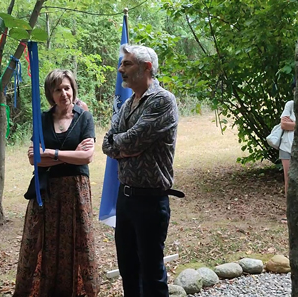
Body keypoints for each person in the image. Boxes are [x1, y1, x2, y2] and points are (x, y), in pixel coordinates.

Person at [102, 45, 180, 297]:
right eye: (121, 64)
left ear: (147, 67)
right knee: (128, 269)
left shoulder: (162, 100)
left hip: (150, 200)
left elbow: (131, 140)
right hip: (124, 199)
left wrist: (123, 145)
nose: (120, 69)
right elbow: (107, 143)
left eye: (127, 64)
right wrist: (124, 147)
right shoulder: (128, 104)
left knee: (151, 274)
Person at [13, 69, 99, 297]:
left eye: (67, 88)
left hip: (75, 190)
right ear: (50, 93)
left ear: (73, 89)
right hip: (47, 189)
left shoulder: (84, 118)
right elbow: (34, 159)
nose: (64, 93)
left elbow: (87, 157)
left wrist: (51, 153)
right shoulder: (41, 120)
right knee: (42, 241)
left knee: (76, 240)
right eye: (58, 89)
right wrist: (69, 154)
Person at [279, 82, 296, 199]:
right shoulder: (290, 105)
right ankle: (289, 213)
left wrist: (293, 123)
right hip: (286, 147)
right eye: (295, 89)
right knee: (289, 181)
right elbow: (284, 124)